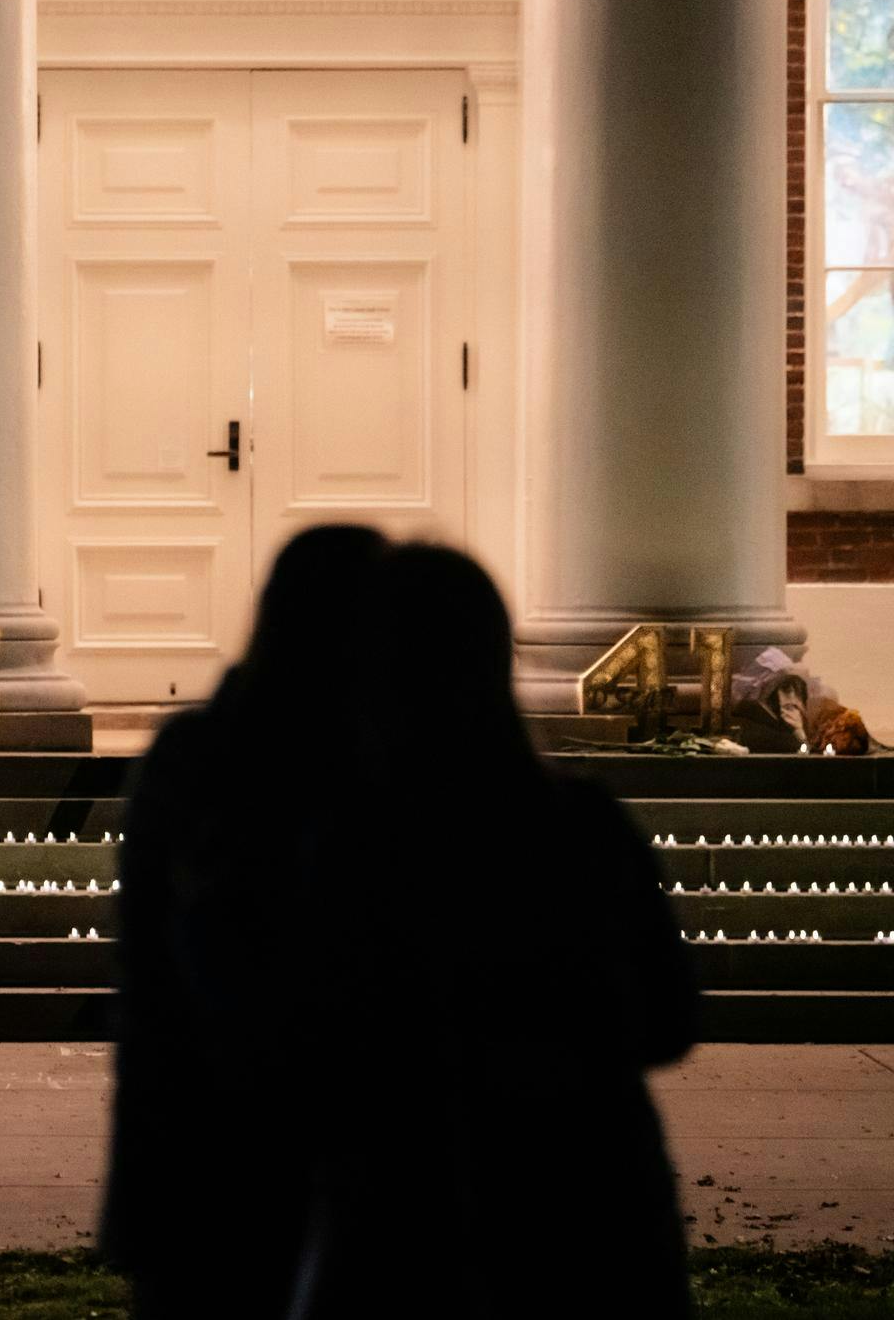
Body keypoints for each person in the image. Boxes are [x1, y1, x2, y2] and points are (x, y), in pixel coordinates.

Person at [105, 536, 697, 1318]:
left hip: (350, 1203)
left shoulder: (349, 833)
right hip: (590, 1204)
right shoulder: (576, 822)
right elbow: (668, 1016)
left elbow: (262, 1014)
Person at [103, 524, 392, 1316]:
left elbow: (148, 959)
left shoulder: (194, 756)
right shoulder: (380, 775)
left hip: (198, 1141)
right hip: (328, 1144)